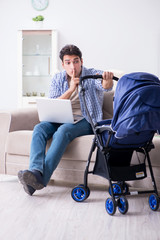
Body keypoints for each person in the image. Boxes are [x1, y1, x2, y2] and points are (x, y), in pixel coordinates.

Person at [18, 44, 114, 195]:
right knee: (39, 128)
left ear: (81, 61)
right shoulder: (57, 78)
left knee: (63, 131)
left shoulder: (92, 74)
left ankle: (39, 180)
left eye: (76, 61)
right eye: (68, 62)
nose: (72, 66)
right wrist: (70, 89)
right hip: (60, 117)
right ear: (63, 64)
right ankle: (35, 170)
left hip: (85, 120)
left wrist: (107, 80)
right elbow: (54, 103)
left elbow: (105, 86)